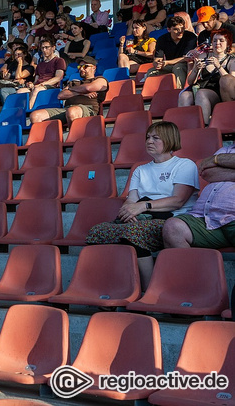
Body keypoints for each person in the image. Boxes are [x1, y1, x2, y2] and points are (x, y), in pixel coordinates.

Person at [86, 122, 199, 289]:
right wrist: (129, 211)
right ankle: (110, 288)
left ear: (169, 139)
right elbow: (132, 199)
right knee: (97, 231)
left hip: (172, 220)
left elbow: (178, 200)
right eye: (147, 137)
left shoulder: (184, 165)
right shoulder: (140, 170)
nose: (149, 141)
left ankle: (149, 289)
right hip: (143, 216)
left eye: (155, 138)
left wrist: (143, 207)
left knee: (133, 233)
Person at [162, 145, 235, 249]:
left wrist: (218, 159)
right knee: (172, 228)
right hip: (204, 217)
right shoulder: (227, 149)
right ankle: (191, 266)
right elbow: (207, 173)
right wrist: (219, 159)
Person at [178, 29, 235, 124]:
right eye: (215, 40)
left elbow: (230, 83)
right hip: (202, 87)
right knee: (184, 96)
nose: (217, 43)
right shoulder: (203, 56)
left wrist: (218, 66)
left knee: (202, 93)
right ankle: (183, 128)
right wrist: (195, 69)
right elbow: (191, 81)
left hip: (219, 93)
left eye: (221, 41)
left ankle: (203, 126)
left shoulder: (231, 61)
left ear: (228, 43)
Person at [30, 56, 107, 125]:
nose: (81, 69)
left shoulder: (100, 80)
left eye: (85, 66)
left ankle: (73, 138)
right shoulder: (74, 82)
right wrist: (82, 94)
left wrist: (71, 90)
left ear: (94, 68)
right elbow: (61, 95)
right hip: (66, 109)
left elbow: (88, 88)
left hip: (88, 109)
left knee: (71, 112)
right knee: (35, 116)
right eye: (79, 67)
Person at [17, 35, 66, 110]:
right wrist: (32, 84)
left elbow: (58, 77)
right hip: (38, 85)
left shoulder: (59, 61)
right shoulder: (40, 64)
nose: (44, 50)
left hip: (51, 86)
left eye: (47, 47)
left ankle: (29, 111)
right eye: (42, 48)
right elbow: (36, 80)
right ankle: (20, 113)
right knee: (20, 91)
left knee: (37, 90)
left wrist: (42, 84)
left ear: (53, 48)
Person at [157, 15, 198, 86]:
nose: (180, 32)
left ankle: (180, 92)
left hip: (185, 64)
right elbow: (157, 59)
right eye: (176, 29)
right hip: (169, 65)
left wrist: (167, 62)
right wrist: (158, 64)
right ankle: (154, 95)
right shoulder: (162, 39)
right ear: (169, 29)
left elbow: (186, 58)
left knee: (178, 68)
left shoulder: (190, 37)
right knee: (151, 72)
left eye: (182, 29)